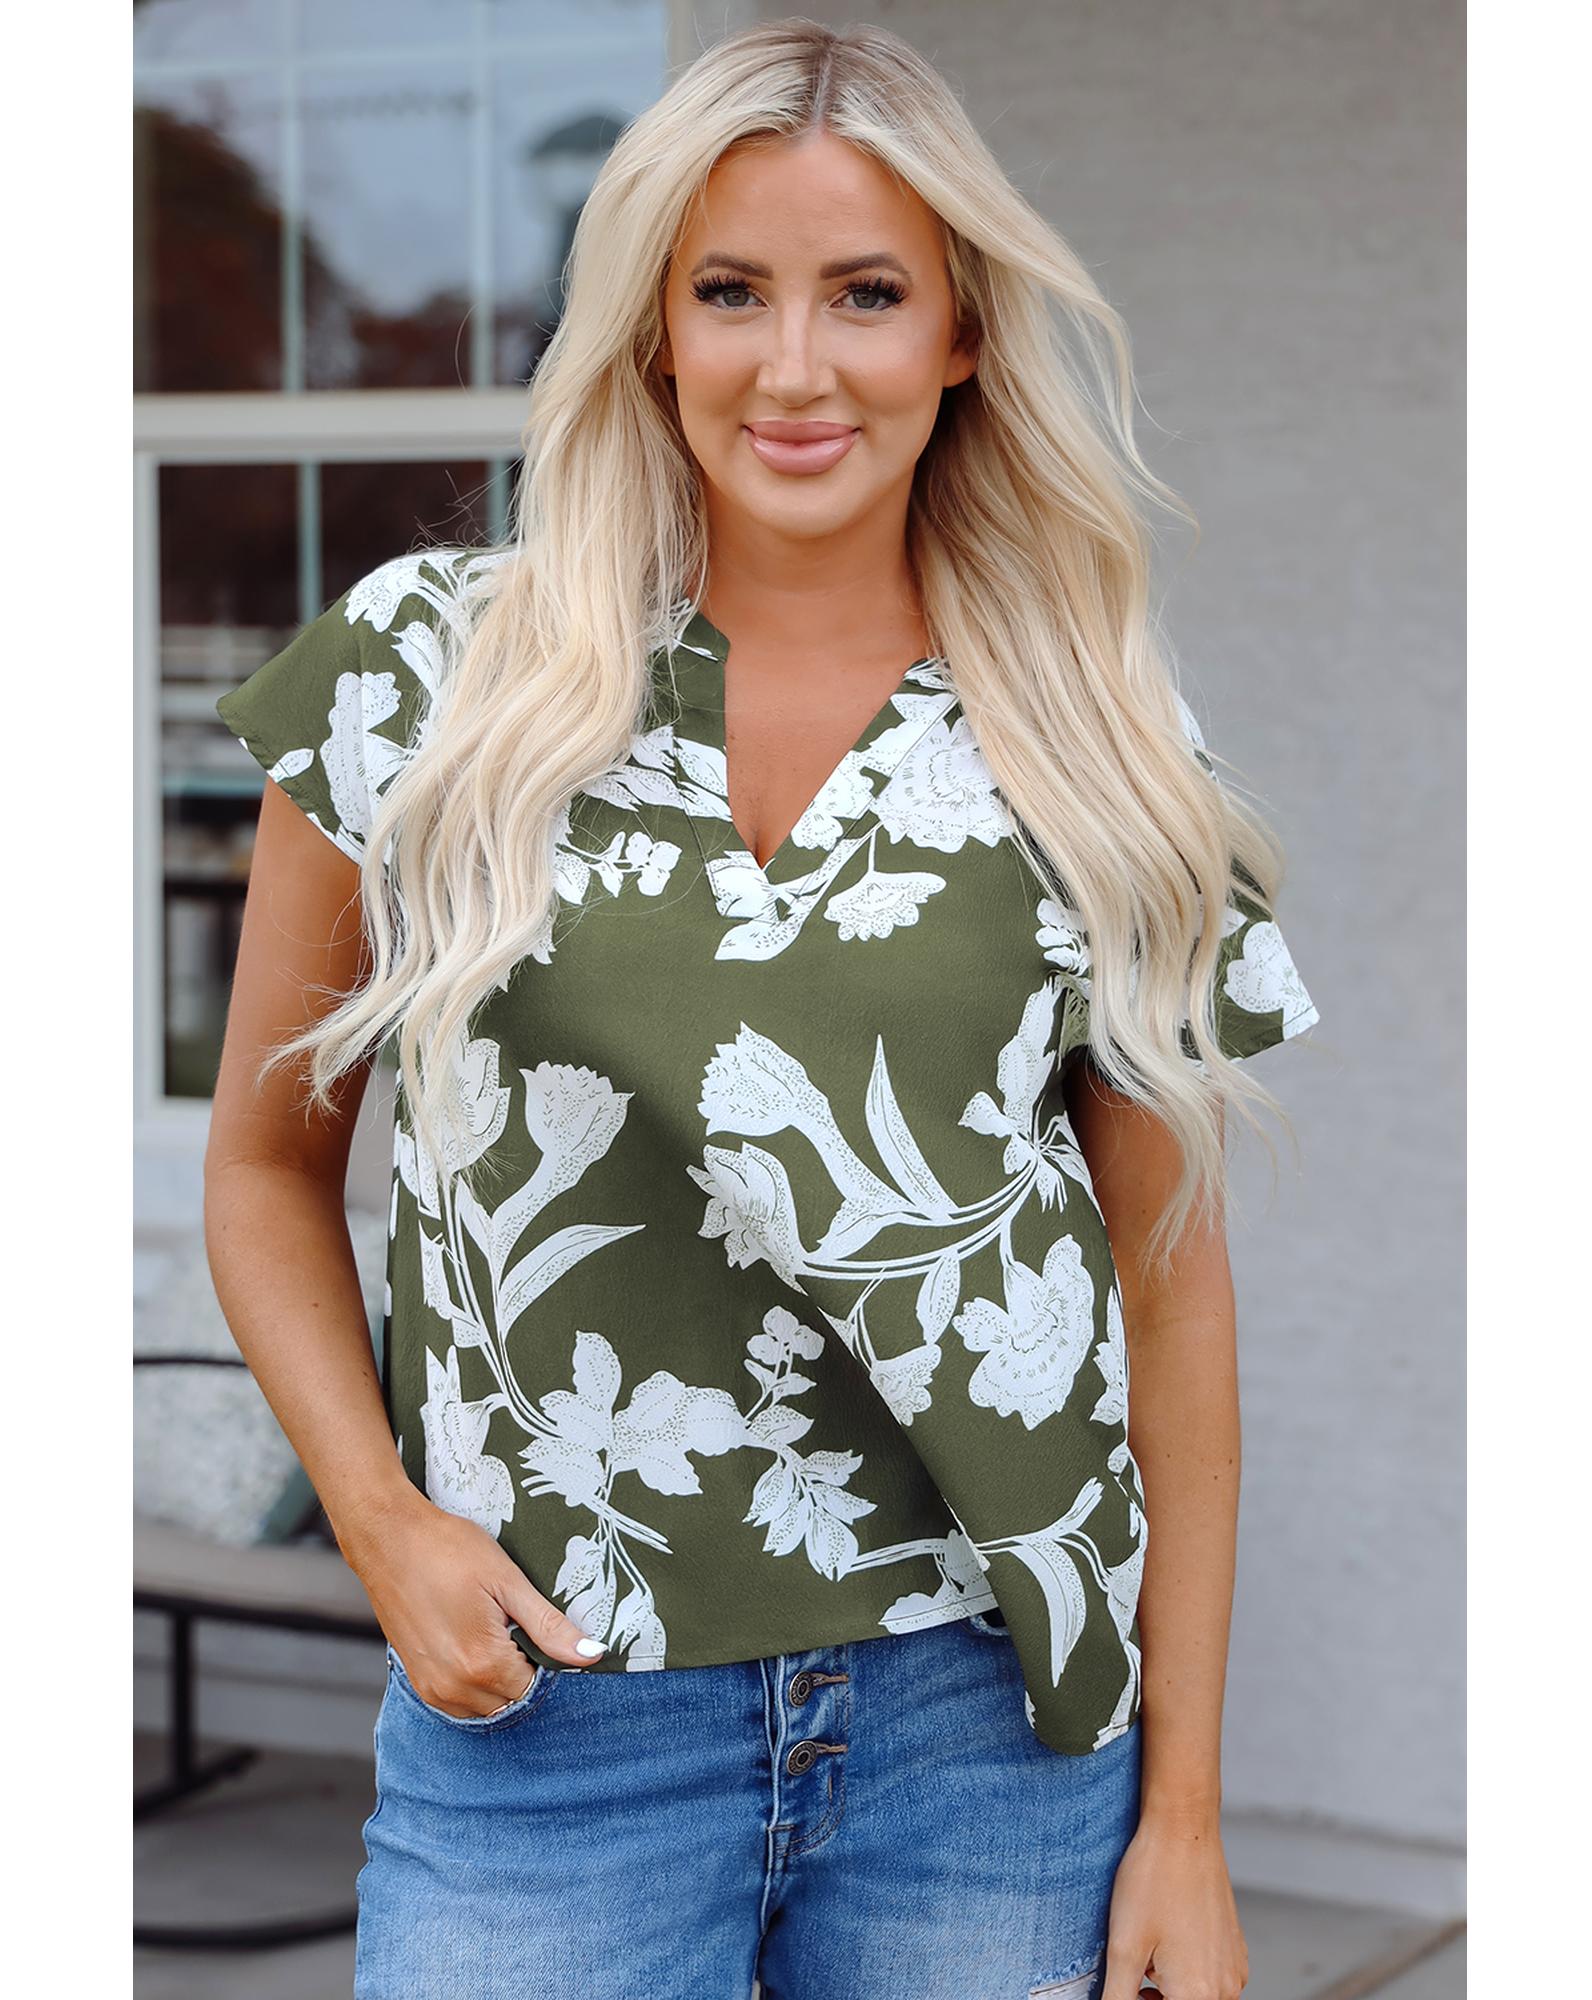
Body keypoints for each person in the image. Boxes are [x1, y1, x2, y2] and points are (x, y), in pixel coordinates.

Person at [206, 19, 1318, 2000]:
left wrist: (1185, 1821)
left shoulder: (1096, 730)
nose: (793, 366)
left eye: (865, 295)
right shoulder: (422, 679)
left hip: (987, 1734)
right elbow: (266, 1171)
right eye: (730, 292)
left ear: (961, 334)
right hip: (548, 1719)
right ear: (652, 331)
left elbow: (1169, 1296)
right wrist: (376, 1520)